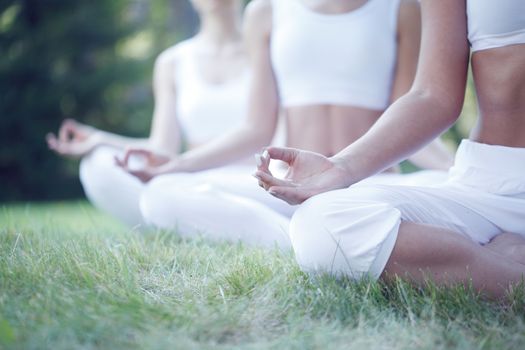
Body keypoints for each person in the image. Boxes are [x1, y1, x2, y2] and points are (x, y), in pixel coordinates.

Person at [119, 0, 453, 248]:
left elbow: (411, 110)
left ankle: (316, 233)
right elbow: (256, 128)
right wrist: (179, 164)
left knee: (454, 191)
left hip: (370, 186)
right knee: (161, 194)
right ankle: (293, 240)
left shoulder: (401, 7)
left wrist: (456, 169)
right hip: (288, 191)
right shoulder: (265, 11)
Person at [255, 0, 525, 299]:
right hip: (487, 183)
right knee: (320, 223)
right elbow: (432, 96)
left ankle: (502, 264)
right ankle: (512, 269)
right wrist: (341, 167)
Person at [47, 0, 250, 227]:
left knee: (166, 196)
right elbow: (162, 148)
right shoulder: (173, 62)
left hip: (251, 183)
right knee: (97, 164)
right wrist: (99, 140)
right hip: (194, 180)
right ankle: (187, 220)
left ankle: (183, 222)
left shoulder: (270, 51)